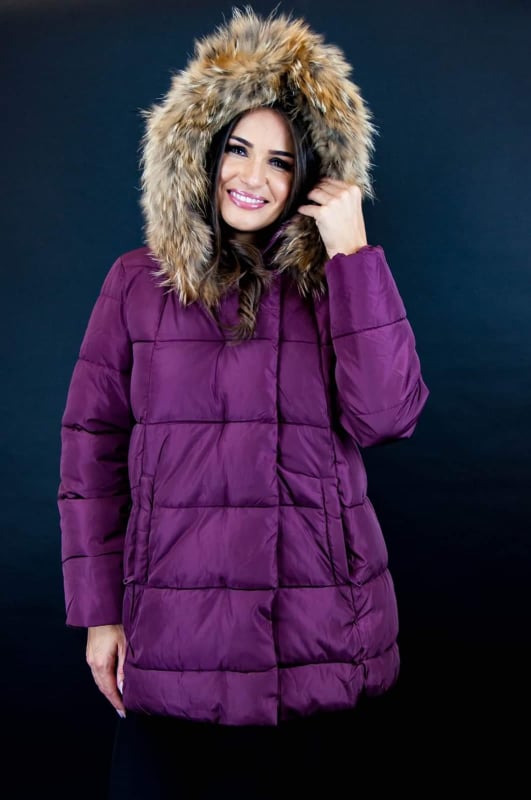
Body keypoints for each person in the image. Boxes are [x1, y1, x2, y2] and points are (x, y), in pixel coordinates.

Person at [57, 7, 430, 798]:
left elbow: (388, 416)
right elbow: (91, 449)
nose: (252, 177)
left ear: (311, 175)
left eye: (280, 161)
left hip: (318, 644)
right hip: (172, 641)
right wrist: (100, 613)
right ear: (199, 150)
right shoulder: (136, 282)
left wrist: (353, 252)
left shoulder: (337, 279)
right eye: (237, 148)